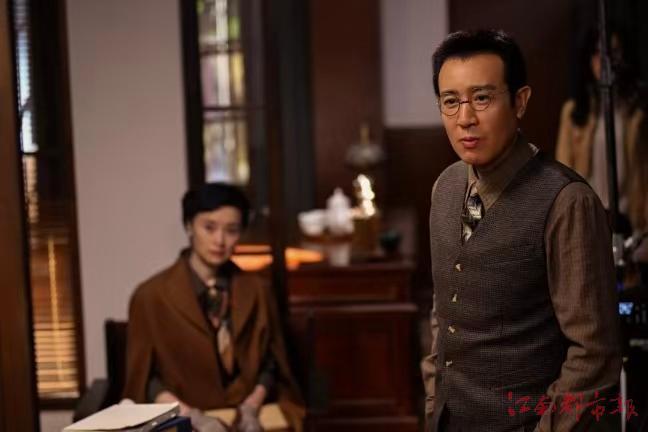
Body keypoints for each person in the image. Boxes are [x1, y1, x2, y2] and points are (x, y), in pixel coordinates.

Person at [421, 30, 622, 431]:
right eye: (451, 101)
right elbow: (443, 314)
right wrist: (433, 404)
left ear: (520, 101)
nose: (465, 118)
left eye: (482, 98)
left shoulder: (567, 201)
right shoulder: (444, 187)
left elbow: (594, 355)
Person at [123, 183, 304, 432]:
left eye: (232, 230)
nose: (219, 240)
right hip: (182, 417)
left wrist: (251, 408)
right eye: (209, 228)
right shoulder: (150, 296)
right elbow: (145, 379)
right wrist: (191, 416)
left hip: (248, 414)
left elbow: (272, 364)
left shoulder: (258, 290)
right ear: (189, 226)